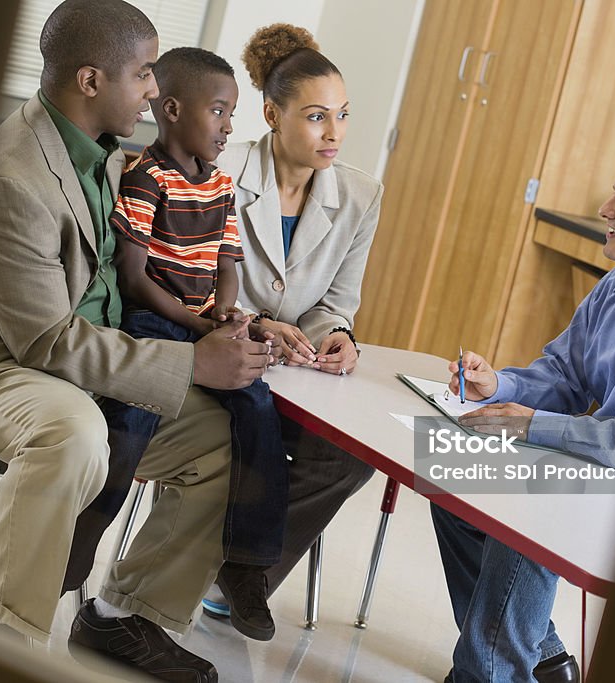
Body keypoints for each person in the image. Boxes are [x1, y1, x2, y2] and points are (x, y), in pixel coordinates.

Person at [0, 2, 272, 681]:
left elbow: (146, 272)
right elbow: (45, 340)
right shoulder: (12, 177)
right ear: (88, 80)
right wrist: (191, 359)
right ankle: (1, 633)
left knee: (220, 439)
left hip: (87, 352)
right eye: (142, 75)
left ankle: (123, 617)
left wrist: (225, 324)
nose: (153, 91)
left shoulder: (105, 154)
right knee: (72, 431)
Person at [432, 137, 615, 682]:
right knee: (451, 476)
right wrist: (498, 385)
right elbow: (564, 375)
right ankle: (537, 657)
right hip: (598, 465)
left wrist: (537, 427)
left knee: (538, 490)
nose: (605, 210)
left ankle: (489, 673)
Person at [70, 46, 289, 643]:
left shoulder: (220, 185)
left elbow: (227, 262)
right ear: (170, 110)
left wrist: (223, 309)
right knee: (133, 421)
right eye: (218, 111)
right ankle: (84, 539)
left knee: (259, 410)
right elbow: (136, 277)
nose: (228, 126)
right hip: (152, 323)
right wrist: (200, 329)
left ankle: (247, 564)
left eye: (231, 113)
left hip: (200, 324)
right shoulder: (146, 177)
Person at [200, 23, 386, 618]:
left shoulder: (360, 195)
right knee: (232, 441)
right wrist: (254, 321)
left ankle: (235, 576)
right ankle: (213, 566)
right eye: (315, 117)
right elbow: (189, 282)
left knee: (350, 455)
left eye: (344, 115)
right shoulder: (218, 171)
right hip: (219, 358)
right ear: (271, 115)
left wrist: (338, 334)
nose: (335, 134)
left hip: (296, 374)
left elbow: (338, 299)